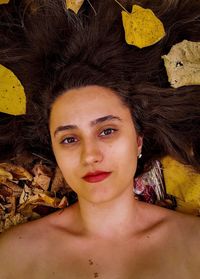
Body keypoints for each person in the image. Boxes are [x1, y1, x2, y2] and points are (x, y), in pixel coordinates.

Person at [0, 0, 200, 278]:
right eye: (69, 139)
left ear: (139, 140)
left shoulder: (193, 246)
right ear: (53, 150)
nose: (90, 155)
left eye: (107, 130)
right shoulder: (14, 257)